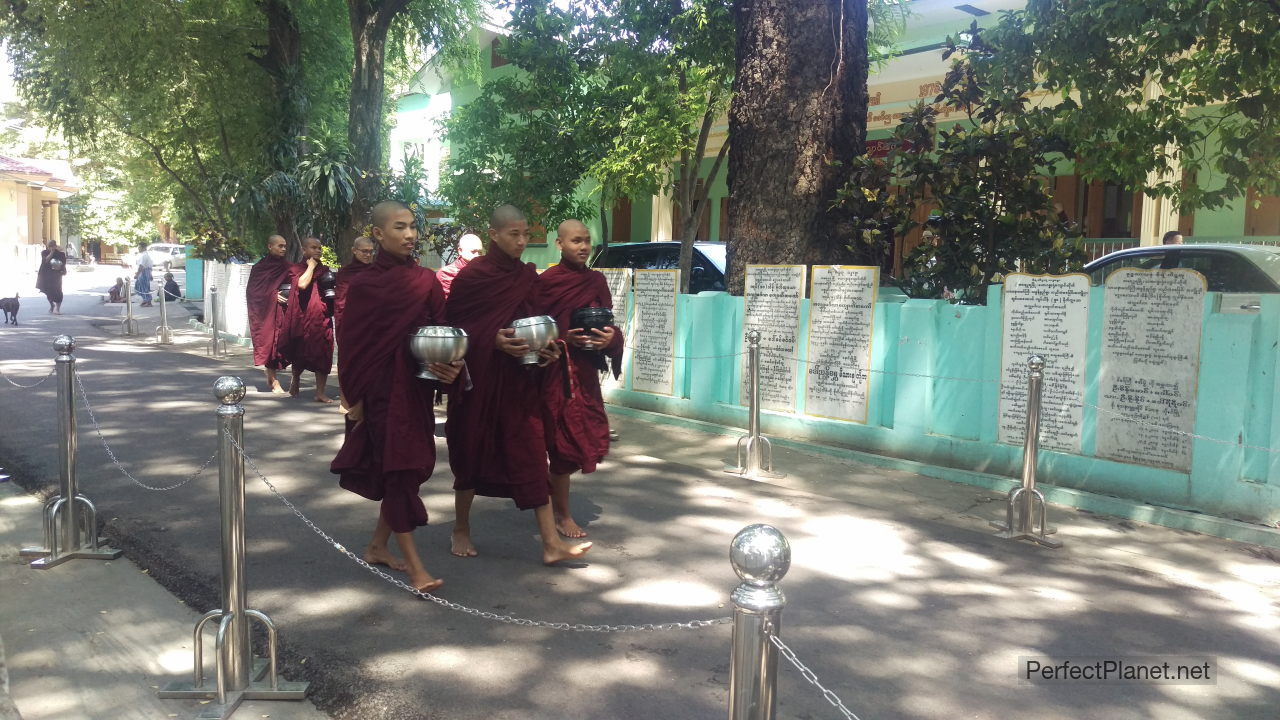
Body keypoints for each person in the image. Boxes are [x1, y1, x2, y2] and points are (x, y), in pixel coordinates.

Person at [445, 205, 591, 564]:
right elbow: (455, 330)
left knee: (530, 454)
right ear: (494, 234)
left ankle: (550, 544)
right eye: (515, 234)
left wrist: (549, 348)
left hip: (518, 381)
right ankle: (460, 527)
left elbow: (539, 321)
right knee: (469, 453)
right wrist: (491, 340)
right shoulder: (473, 278)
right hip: (479, 383)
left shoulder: (528, 277)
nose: (523, 241)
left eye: (527, 234)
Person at [330, 200, 462, 593]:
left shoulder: (425, 280)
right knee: (400, 470)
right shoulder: (365, 286)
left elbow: (443, 330)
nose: (409, 235)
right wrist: (353, 397)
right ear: (378, 234)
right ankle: (417, 570)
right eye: (399, 227)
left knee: (411, 465)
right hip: (382, 392)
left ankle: (376, 546)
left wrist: (454, 366)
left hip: (417, 389)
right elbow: (352, 343)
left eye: (412, 227)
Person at [536, 219, 623, 538]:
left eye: (586, 241)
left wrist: (608, 340)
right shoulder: (546, 282)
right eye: (575, 241)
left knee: (573, 444)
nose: (583, 247)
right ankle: (560, 513)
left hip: (583, 375)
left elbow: (609, 324)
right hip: (552, 372)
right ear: (559, 244)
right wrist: (562, 339)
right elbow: (536, 329)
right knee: (559, 444)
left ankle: (557, 507)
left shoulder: (596, 281)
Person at [282, 237, 335, 403]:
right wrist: (311, 266)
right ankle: (296, 379)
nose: (318, 251)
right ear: (304, 251)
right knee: (300, 352)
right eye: (313, 248)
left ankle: (320, 392)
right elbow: (302, 284)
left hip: (322, 318)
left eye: (319, 248)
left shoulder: (326, 270)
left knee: (324, 353)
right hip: (302, 318)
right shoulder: (296, 268)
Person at [246, 235, 293, 394]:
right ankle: (273, 379)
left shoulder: (287, 266)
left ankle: (293, 380)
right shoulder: (260, 268)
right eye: (280, 246)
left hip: (284, 311)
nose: (283, 249)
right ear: (270, 246)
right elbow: (253, 293)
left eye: (285, 246)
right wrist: (272, 295)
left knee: (283, 343)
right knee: (270, 343)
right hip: (267, 312)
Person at [334, 236, 376, 327]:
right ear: (354, 250)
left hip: (374, 323)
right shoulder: (345, 273)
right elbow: (341, 302)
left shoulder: (377, 272)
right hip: (352, 322)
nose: (368, 255)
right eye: (364, 251)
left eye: (371, 251)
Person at [436, 233, 484, 298]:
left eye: (480, 252)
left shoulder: (485, 272)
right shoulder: (445, 274)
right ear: (460, 251)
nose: (477, 255)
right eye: (473, 251)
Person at [36, 240, 67, 314]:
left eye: (52, 246)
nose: (51, 247)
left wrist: (61, 269)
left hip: (56, 275)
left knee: (58, 291)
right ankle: (52, 305)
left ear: (55, 246)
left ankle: (57, 309)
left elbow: (63, 263)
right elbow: (45, 261)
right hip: (46, 275)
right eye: (49, 246)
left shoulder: (61, 254)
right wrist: (51, 252)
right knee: (47, 291)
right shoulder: (44, 252)